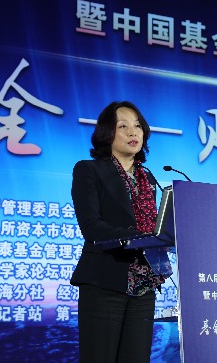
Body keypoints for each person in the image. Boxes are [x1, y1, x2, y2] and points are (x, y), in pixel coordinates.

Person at [70, 101, 166, 362]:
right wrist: (139, 238)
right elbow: (91, 226)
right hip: (105, 282)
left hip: (144, 284)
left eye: (137, 126)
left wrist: (163, 236)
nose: (133, 132)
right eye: (123, 126)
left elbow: (154, 227)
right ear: (107, 133)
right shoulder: (88, 170)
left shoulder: (148, 179)